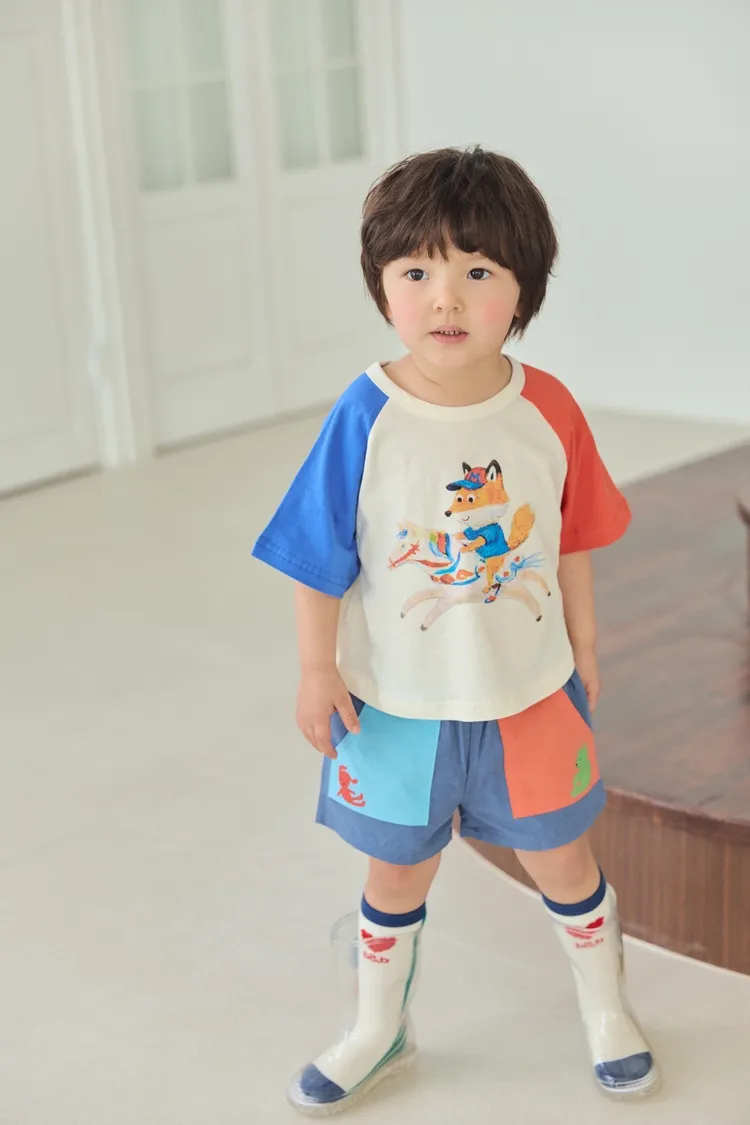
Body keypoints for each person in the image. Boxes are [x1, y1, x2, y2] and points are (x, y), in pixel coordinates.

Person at [252, 146, 660, 1114]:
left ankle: (608, 1009)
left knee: (563, 860)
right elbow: (315, 555)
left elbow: (571, 537)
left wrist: (586, 648)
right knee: (396, 872)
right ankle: (378, 1027)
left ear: (524, 288)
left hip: (532, 694)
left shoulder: (548, 408)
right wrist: (316, 669)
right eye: (416, 271)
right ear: (381, 285)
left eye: (478, 270)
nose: (446, 298)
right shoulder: (365, 415)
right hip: (395, 705)